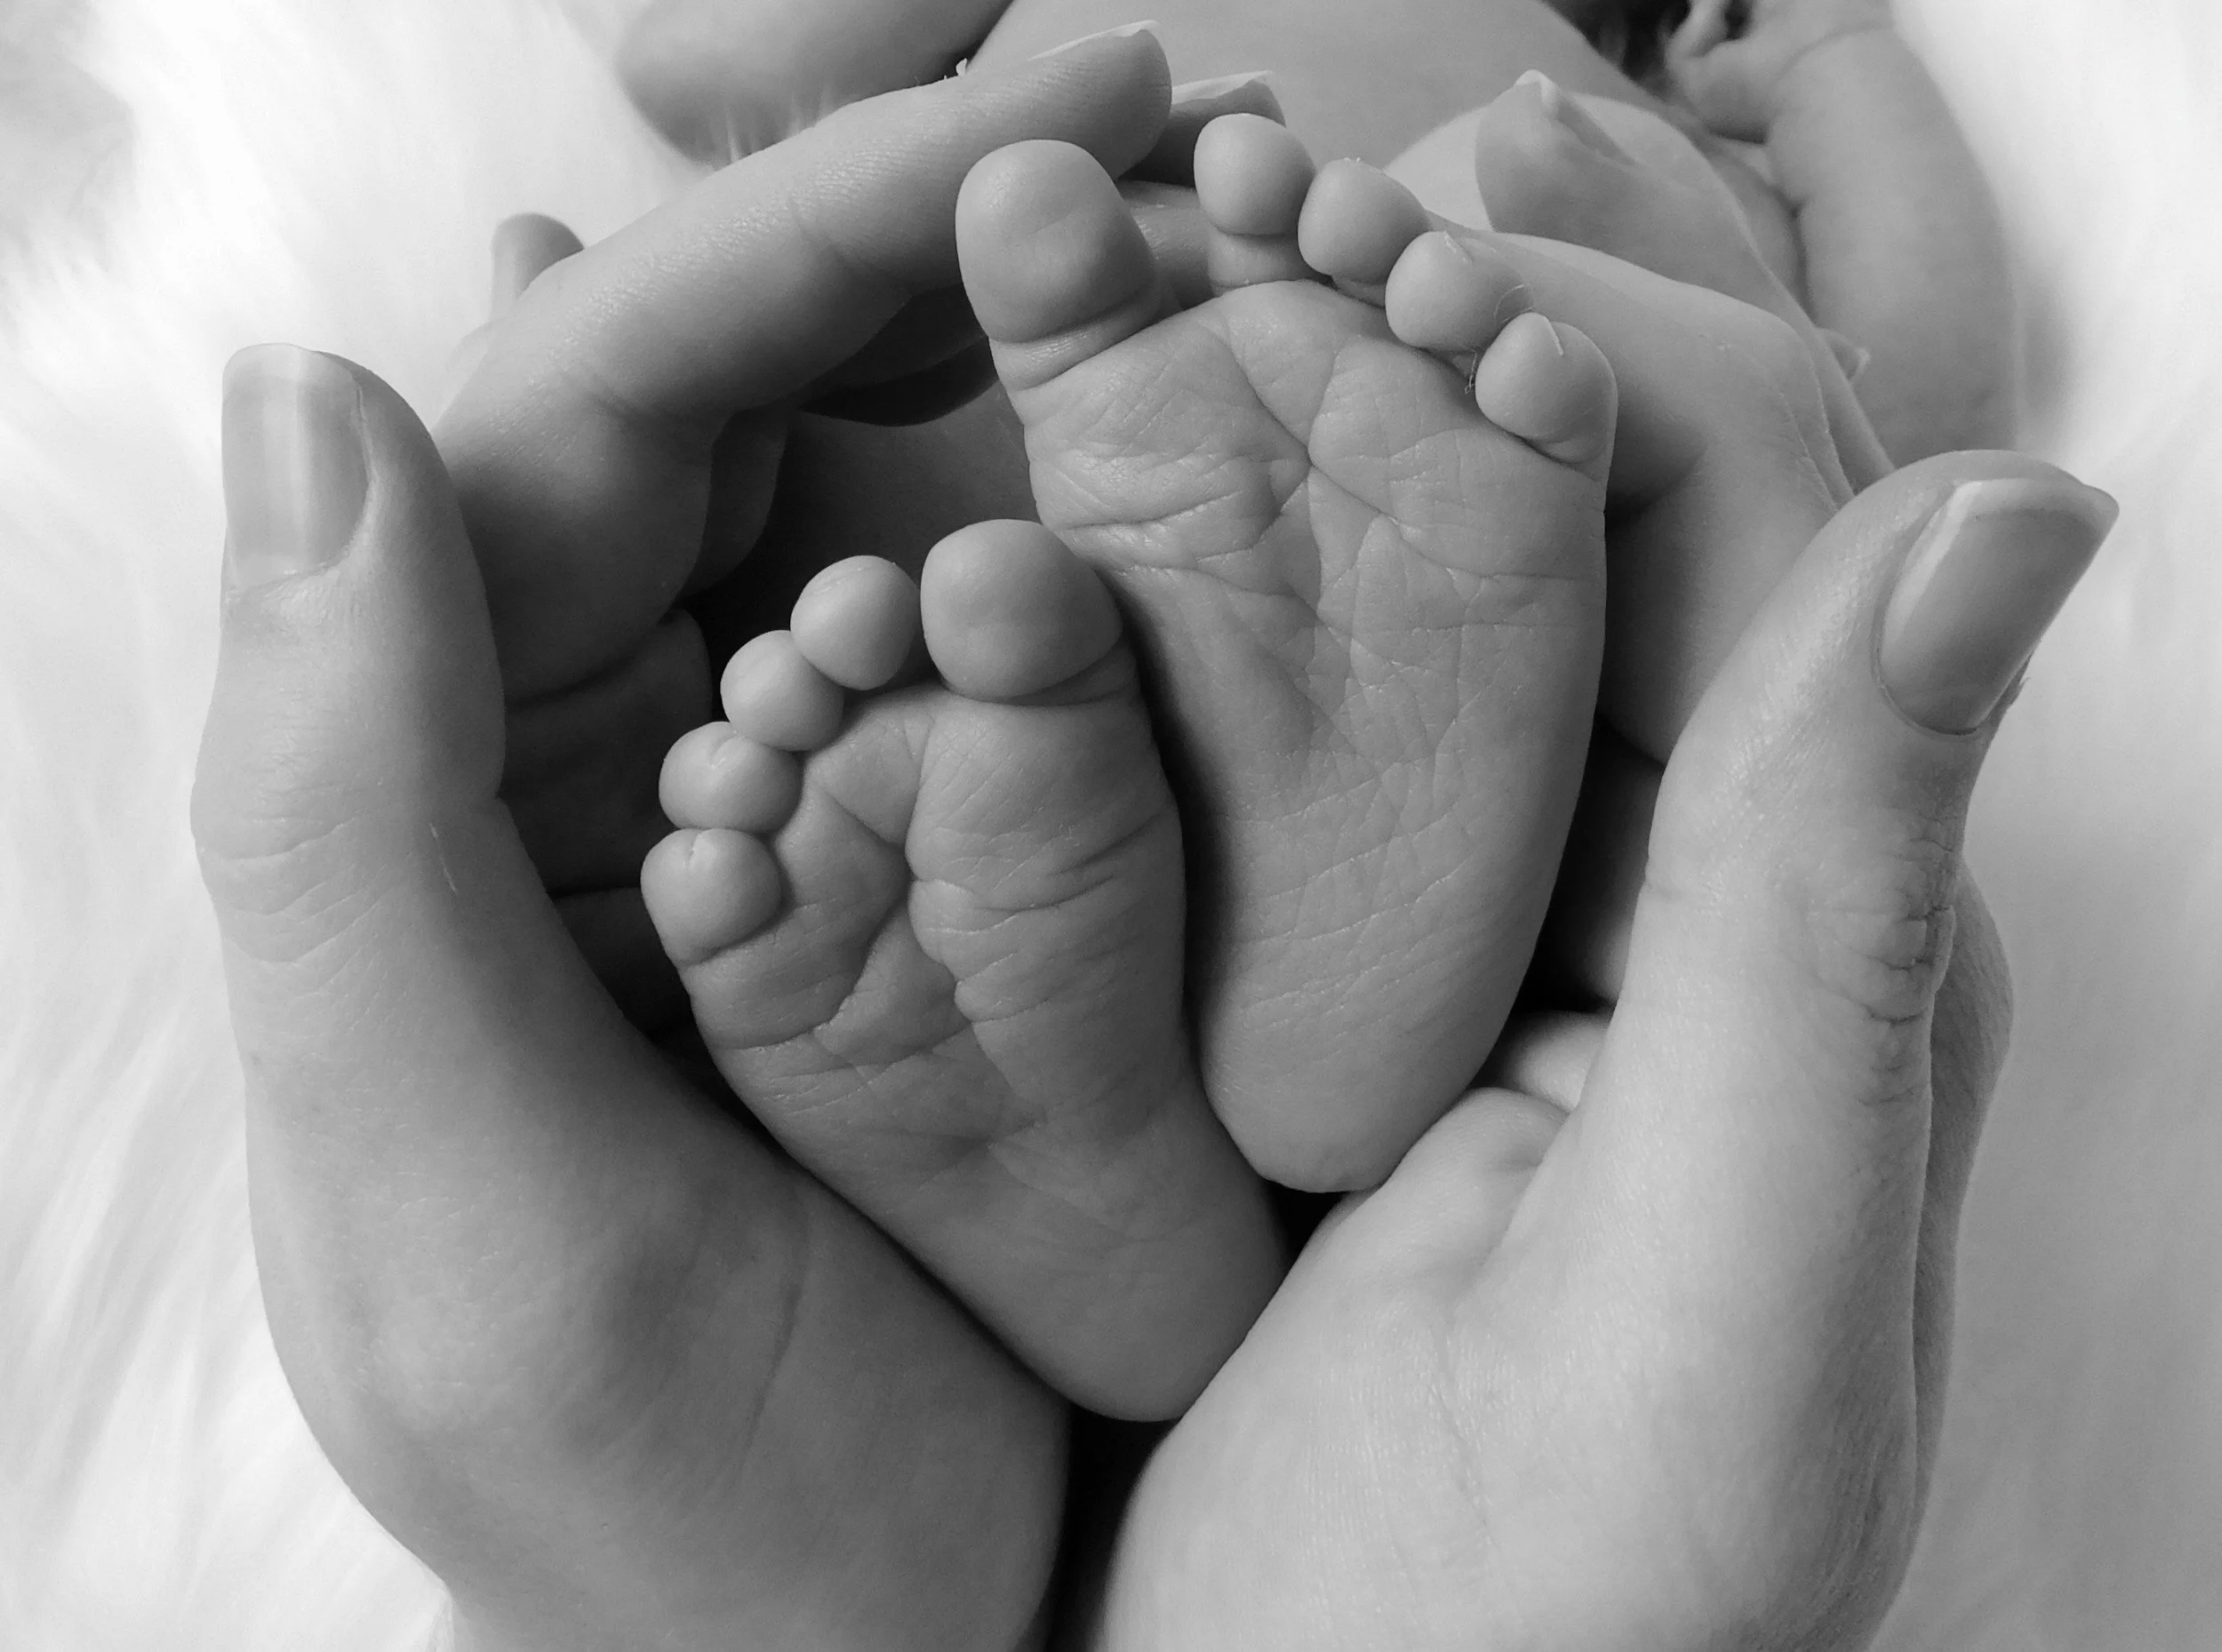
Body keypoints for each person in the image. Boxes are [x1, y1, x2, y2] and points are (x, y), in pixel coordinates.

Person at [195, 33, 2111, 1651]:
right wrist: (1828, 70)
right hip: (1509, 509)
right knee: (1828, 427)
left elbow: (692, 71)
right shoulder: (1588, 93)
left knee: (880, 356)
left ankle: (1139, 1024)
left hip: (1078, 415)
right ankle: (1241, 932)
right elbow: (1892, 349)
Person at [620, 0, 2015, 464]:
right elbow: (704, 62)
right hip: (994, 388)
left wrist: (1836, 55)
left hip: (1513, 408)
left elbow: (1931, 414)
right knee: (809, 277)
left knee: (1736, 358)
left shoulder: (1642, 114)